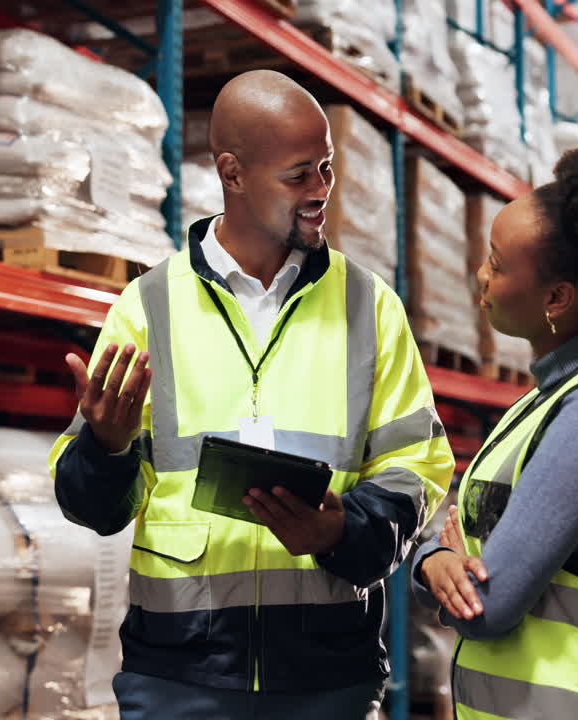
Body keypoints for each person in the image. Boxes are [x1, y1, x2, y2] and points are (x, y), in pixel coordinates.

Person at [49, 70, 454, 718]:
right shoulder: (147, 307)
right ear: (232, 173)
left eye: (327, 167)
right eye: (299, 175)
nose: (322, 189)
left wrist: (343, 529)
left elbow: (418, 465)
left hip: (328, 679)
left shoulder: (369, 306)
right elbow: (93, 508)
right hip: (180, 677)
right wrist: (106, 447)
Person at [412, 148, 578, 719]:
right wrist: (435, 556)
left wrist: (442, 557)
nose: (481, 275)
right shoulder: (544, 401)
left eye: (498, 265)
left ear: (557, 298)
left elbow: (487, 603)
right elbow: (457, 548)